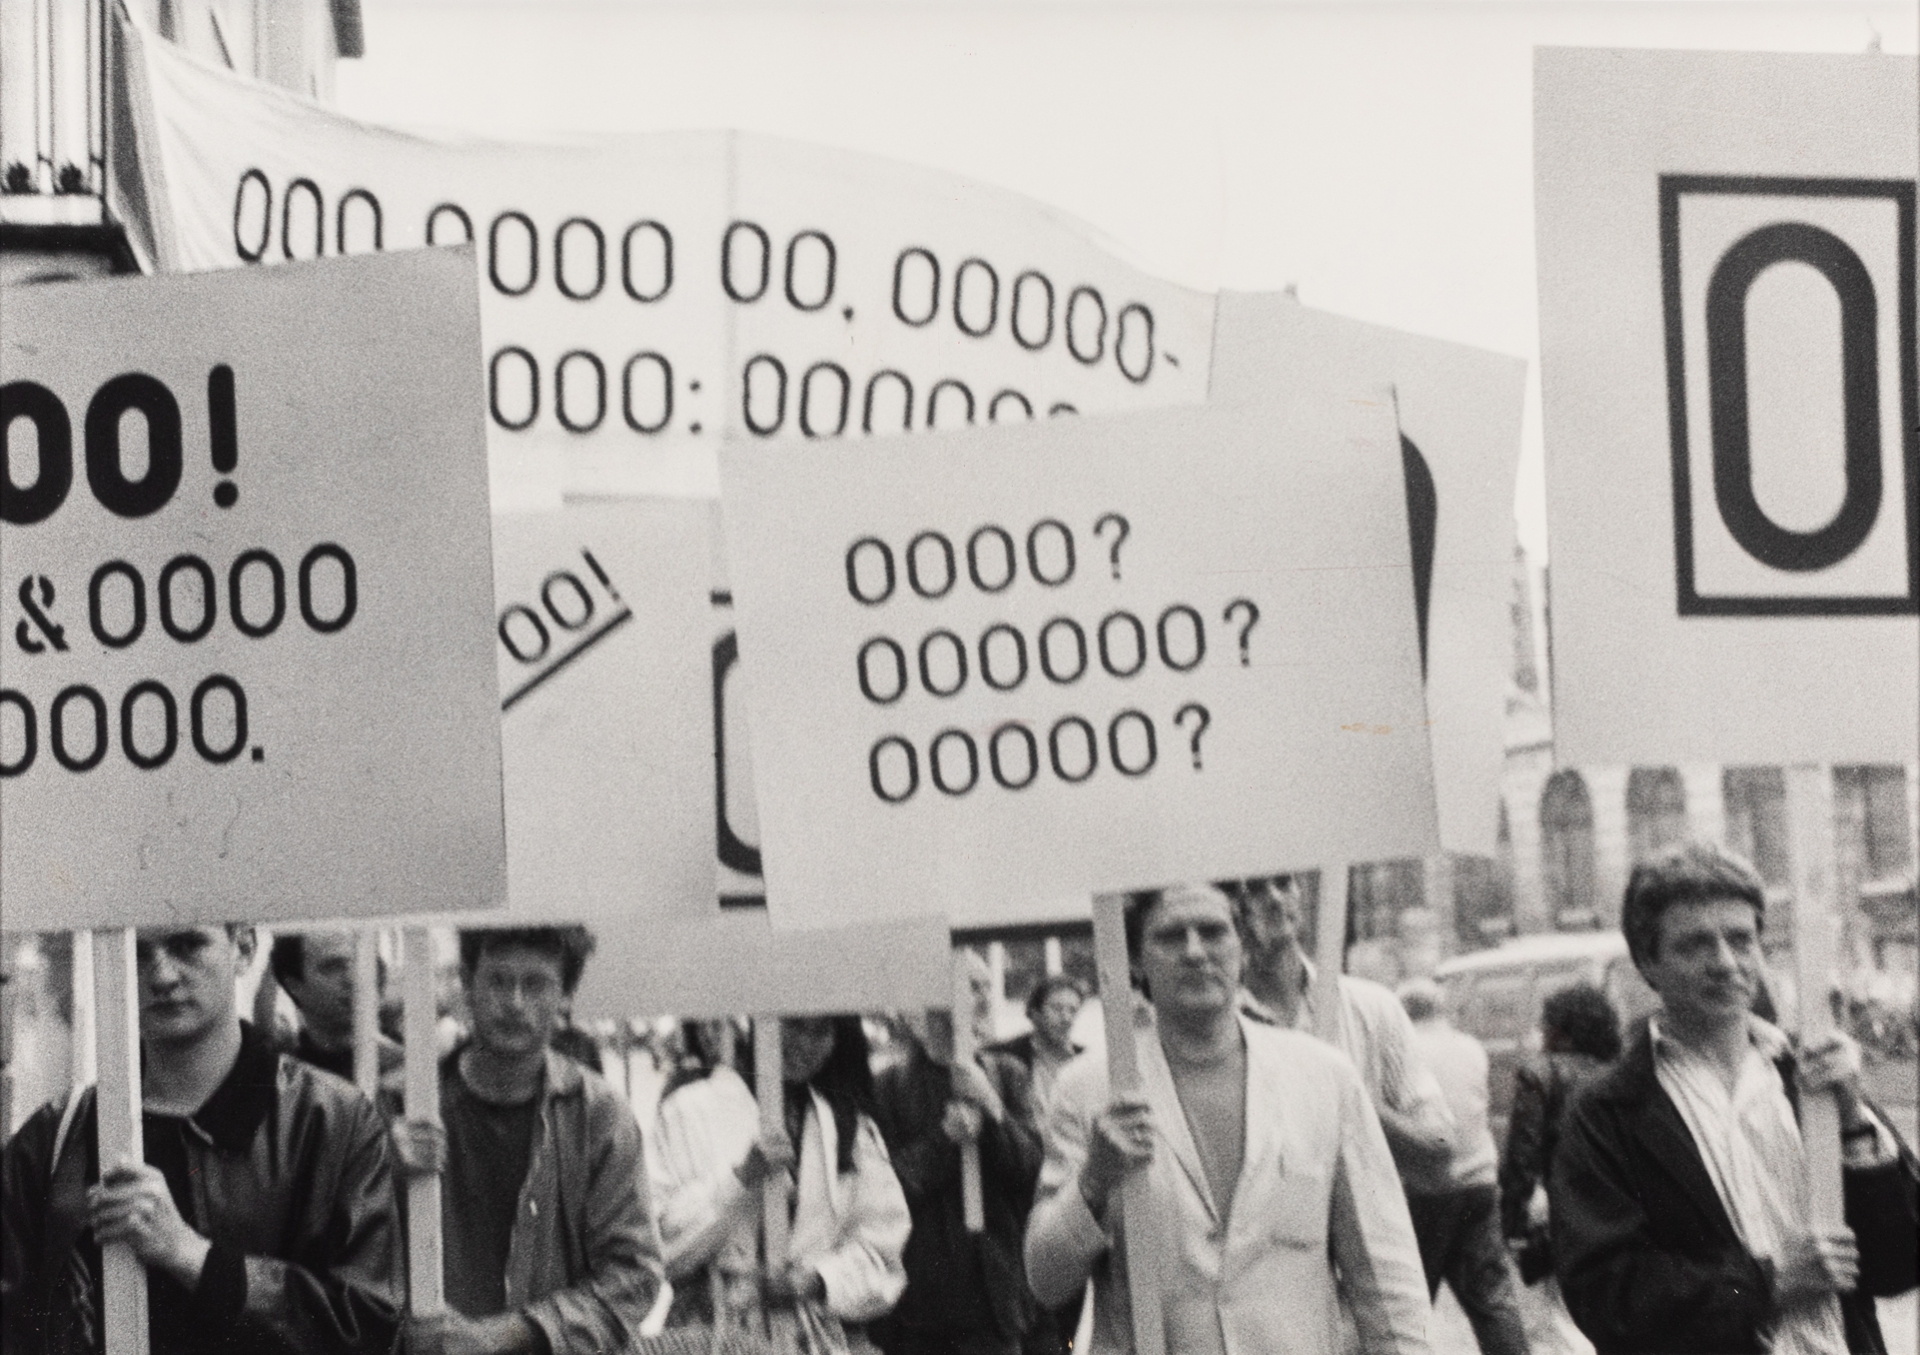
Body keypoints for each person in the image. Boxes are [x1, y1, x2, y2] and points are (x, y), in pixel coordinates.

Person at [1024, 884, 1433, 1355]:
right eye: (1172, 937)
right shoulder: (1090, 1089)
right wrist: (1094, 1181)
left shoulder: (1324, 1077)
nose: (1196, 952)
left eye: (1214, 932)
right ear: (1136, 961)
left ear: (1242, 946)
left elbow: (1388, 1278)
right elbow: (1045, 1280)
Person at [1550, 842, 1920, 1355]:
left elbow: (1900, 1263)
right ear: (1647, 963)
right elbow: (1607, 1298)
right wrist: (1767, 1285)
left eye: (1741, 939)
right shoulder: (1608, 1109)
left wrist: (1853, 1116)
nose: (1726, 963)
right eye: (1696, 945)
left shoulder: (1810, 1081)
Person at [1, 924, 403, 1354]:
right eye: (137, 952)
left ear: (243, 948)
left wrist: (192, 1257)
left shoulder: (331, 1119)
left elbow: (367, 1326)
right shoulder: (58, 1136)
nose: (163, 976)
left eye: (187, 944)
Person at [391, 926, 662, 1355]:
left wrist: (504, 1336)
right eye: (498, 980)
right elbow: (340, 1262)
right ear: (467, 982)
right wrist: (377, 1171)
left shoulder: (598, 1116)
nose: (515, 1003)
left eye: (535, 985)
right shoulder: (403, 1108)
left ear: (565, 997)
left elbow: (634, 1276)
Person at [650, 1014, 910, 1348]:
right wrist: (740, 1180)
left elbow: (881, 1248)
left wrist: (816, 1281)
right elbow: (658, 1247)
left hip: (805, 1334)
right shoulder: (688, 1109)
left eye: (821, 1030)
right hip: (705, 1333)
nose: (805, 1043)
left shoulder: (848, 1125)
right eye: (795, 1025)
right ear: (760, 1022)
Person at [1230, 875, 1456, 1180]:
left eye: (1283, 883)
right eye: (1255, 888)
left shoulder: (1374, 1008)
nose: (1274, 898)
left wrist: (1354, 1103)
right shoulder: (1221, 1024)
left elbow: (1441, 1148)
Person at [871, 1009, 1043, 1355]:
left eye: (981, 988)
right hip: (918, 1301)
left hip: (993, 1295)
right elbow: (884, 1190)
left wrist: (993, 1109)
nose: (975, 1003)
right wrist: (945, 1139)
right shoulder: (888, 1085)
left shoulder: (1006, 1074)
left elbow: (1031, 1170)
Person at [1398, 980, 1530, 1355]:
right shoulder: (1471, 1048)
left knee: (1406, 1305)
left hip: (1424, 1191)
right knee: (1492, 1300)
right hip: (1479, 1184)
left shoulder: (1404, 1050)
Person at [1498, 982, 1619, 1355]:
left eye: (1545, 1023)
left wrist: (1513, 1224)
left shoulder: (1539, 1074)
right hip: (1616, 1210)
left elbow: (1523, 1156)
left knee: (1559, 1322)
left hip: (1560, 1213)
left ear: (1560, 1029)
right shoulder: (1617, 1072)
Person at [269, 929, 404, 1100]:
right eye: (333, 967)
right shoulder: (281, 1083)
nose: (353, 978)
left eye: (361, 961)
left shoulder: (416, 1066)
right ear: (294, 986)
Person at [990, 976, 1087, 1118]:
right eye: (1057, 1009)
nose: (1066, 1018)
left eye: (1072, 1010)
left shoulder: (1084, 1060)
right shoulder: (1003, 1055)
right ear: (1035, 1013)